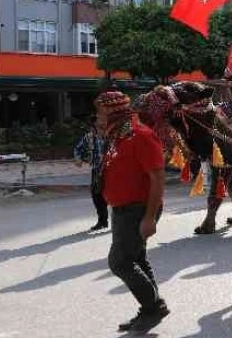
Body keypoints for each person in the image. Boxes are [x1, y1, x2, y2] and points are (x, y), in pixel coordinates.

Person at [95, 91, 169, 333]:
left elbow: (157, 177)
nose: (98, 117)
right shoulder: (119, 136)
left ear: (114, 112)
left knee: (119, 262)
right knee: (136, 259)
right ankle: (153, 305)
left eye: (101, 112)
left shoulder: (141, 136)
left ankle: (152, 307)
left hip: (138, 209)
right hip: (122, 209)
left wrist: (149, 218)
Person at [74, 116, 109, 231]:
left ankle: (118, 221)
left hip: (112, 169)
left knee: (114, 195)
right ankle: (102, 221)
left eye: (103, 120)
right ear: (94, 124)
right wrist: (78, 159)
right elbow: (77, 149)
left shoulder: (113, 134)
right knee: (96, 196)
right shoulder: (89, 137)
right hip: (97, 170)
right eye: (99, 121)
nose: (102, 122)